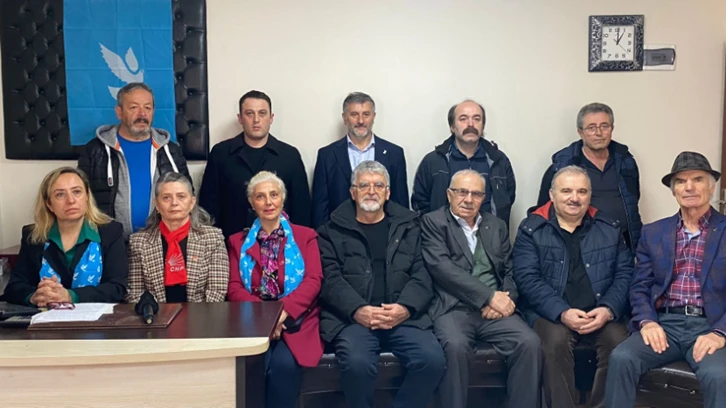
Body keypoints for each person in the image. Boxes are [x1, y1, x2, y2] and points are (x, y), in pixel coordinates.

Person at [317, 160, 446, 408]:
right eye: (364, 185)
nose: (371, 191)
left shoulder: (411, 227)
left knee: (432, 360)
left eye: (378, 185)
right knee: (357, 364)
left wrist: (405, 308)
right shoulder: (330, 231)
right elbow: (330, 280)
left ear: (388, 193)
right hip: (352, 320)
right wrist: (358, 310)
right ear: (352, 192)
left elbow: (423, 274)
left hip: (403, 317)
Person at [606, 152, 726, 408]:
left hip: (710, 324)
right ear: (674, 191)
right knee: (622, 358)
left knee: (719, 375)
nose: (689, 187)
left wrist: (720, 333)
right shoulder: (653, 233)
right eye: (681, 181)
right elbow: (640, 287)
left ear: (712, 185)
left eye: (698, 179)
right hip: (665, 323)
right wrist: (647, 321)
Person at [421, 169, 543, 408]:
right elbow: (442, 268)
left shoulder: (496, 225)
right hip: (453, 307)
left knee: (529, 343)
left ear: (484, 198)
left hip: (495, 312)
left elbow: (511, 269)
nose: (468, 199)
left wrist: (506, 300)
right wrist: (489, 297)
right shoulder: (433, 222)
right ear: (449, 194)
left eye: (476, 194)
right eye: (462, 192)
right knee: (455, 347)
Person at [513, 165, 632, 408]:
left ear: (590, 195)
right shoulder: (531, 229)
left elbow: (625, 274)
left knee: (619, 343)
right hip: (551, 314)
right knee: (555, 342)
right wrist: (562, 312)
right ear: (552, 194)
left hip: (600, 312)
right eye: (566, 191)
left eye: (582, 191)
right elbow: (527, 278)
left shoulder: (609, 227)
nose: (574, 198)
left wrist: (608, 309)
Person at [227, 171, 323, 408]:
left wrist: (281, 315)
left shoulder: (306, 236)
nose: (268, 202)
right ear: (251, 203)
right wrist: (266, 319)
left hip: (295, 320)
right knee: (251, 367)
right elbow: (234, 287)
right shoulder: (236, 242)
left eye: (274, 195)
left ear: (283, 198)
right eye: (260, 196)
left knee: (284, 367)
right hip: (252, 321)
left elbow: (314, 280)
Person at [78, 82, 190, 239]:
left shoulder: (170, 150)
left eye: (147, 108)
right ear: (119, 112)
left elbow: (187, 194)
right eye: (134, 107)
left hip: (161, 242)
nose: (142, 114)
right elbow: (80, 198)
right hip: (111, 242)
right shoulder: (95, 150)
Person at [5, 167, 128, 306]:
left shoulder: (110, 232)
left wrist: (71, 296)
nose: (71, 200)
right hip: (46, 316)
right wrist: (34, 296)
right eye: (60, 195)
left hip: (97, 317)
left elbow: (117, 288)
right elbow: (14, 287)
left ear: (87, 196)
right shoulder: (34, 236)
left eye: (77, 192)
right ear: (49, 204)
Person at [199, 90, 312, 238]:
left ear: (271, 118)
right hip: (231, 242)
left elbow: (302, 209)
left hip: (281, 243)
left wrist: (298, 243)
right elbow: (208, 206)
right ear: (240, 118)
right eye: (249, 113)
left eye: (262, 113)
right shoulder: (221, 154)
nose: (256, 120)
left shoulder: (289, 155)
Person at [535, 102, 642, 250]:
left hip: (623, 242)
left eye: (604, 126)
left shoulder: (626, 161)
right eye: (591, 128)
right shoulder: (563, 165)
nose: (599, 133)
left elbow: (633, 197)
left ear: (612, 129)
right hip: (581, 246)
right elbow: (544, 210)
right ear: (580, 132)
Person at [126, 172, 228, 304]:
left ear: (192, 202)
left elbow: (217, 292)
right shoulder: (138, 242)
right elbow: (135, 294)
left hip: (202, 314)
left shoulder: (213, 238)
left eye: (181, 196)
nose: (174, 203)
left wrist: (194, 316)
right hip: (155, 315)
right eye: (166, 198)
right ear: (156, 204)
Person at [412, 99, 516, 226]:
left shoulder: (499, 161)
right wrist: (434, 232)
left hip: (489, 235)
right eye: (463, 119)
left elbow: (508, 200)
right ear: (452, 127)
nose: (471, 124)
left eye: (476, 119)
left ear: (483, 126)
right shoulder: (433, 161)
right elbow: (420, 204)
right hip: (442, 236)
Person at [312, 92, 409, 228]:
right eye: (354, 114)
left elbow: (401, 205)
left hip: (384, 232)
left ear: (373, 117)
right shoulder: (327, 155)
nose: (361, 121)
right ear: (345, 118)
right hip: (339, 233)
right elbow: (320, 207)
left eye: (366, 114)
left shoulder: (394, 154)